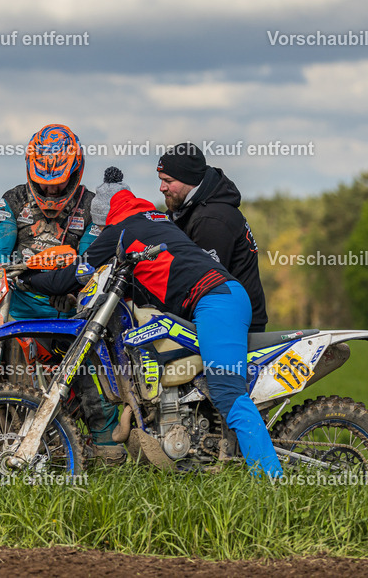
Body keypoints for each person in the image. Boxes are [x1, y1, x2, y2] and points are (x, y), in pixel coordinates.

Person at [20, 175, 284, 479]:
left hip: (216, 299)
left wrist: (24, 280)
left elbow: (68, 277)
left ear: (104, 217)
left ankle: (271, 480)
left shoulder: (121, 229)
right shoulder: (157, 219)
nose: (100, 232)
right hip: (215, 298)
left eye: (100, 226)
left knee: (227, 390)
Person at [0, 125, 123, 464]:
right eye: (43, 184)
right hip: (18, 313)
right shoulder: (12, 201)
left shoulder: (93, 205)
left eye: (59, 184)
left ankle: (107, 448)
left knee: (92, 375)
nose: (50, 192)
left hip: (73, 313)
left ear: (76, 172)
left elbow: (89, 262)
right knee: (2, 375)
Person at [156, 143, 269, 332]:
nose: (161, 188)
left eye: (168, 181)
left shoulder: (212, 219)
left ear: (189, 179)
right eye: (160, 180)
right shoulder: (186, 209)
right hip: (219, 310)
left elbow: (204, 282)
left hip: (234, 319)